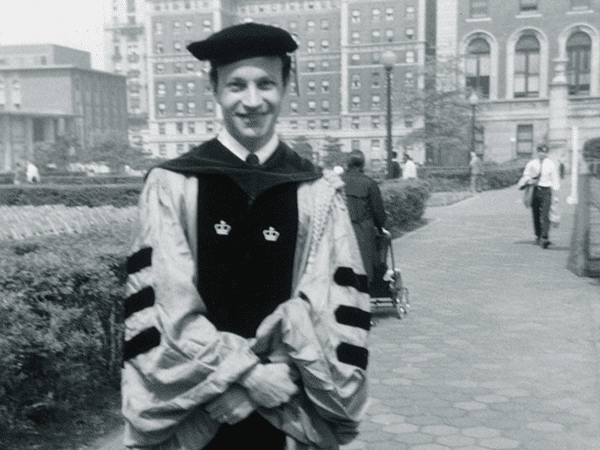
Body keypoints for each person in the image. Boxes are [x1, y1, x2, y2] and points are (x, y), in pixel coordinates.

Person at [122, 23, 370, 450]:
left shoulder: (315, 191)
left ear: (287, 86)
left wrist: (278, 377)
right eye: (237, 85)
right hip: (197, 415)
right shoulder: (172, 185)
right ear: (213, 86)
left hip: (288, 409)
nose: (252, 101)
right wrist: (249, 377)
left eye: (266, 84)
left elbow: (331, 307)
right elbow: (164, 309)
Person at [342, 150, 387, 285]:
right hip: (363, 231)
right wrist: (380, 227)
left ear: (347, 164)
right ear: (362, 165)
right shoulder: (369, 183)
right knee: (364, 267)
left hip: (341, 231)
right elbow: (378, 213)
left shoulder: (336, 182)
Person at [519, 144, 560, 249]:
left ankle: (545, 237)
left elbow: (555, 179)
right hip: (535, 190)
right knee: (536, 214)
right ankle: (538, 235)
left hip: (546, 190)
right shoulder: (532, 164)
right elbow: (526, 175)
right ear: (537, 152)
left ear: (547, 153)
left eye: (545, 152)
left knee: (545, 214)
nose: (543, 153)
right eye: (541, 151)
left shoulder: (551, 164)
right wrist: (529, 179)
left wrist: (556, 194)